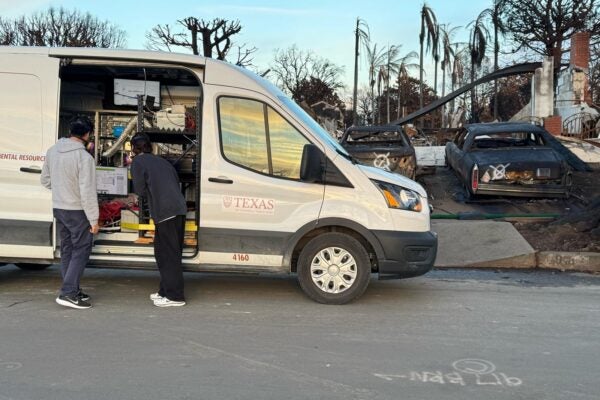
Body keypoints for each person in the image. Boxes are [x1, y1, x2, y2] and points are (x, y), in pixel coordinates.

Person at [41, 116, 99, 309]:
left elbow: (45, 181)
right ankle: (68, 293)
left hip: (59, 207)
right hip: (77, 210)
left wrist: (62, 191)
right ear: (86, 134)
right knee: (82, 249)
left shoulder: (52, 151)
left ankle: (71, 288)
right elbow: (87, 191)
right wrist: (94, 219)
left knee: (67, 248)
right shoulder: (84, 157)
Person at [130, 133, 187, 307]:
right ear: (150, 146)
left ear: (133, 148)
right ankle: (165, 291)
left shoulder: (138, 163)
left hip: (165, 212)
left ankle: (175, 296)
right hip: (178, 209)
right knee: (169, 253)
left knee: (166, 255)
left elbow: (139, 189)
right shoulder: (162, 161)